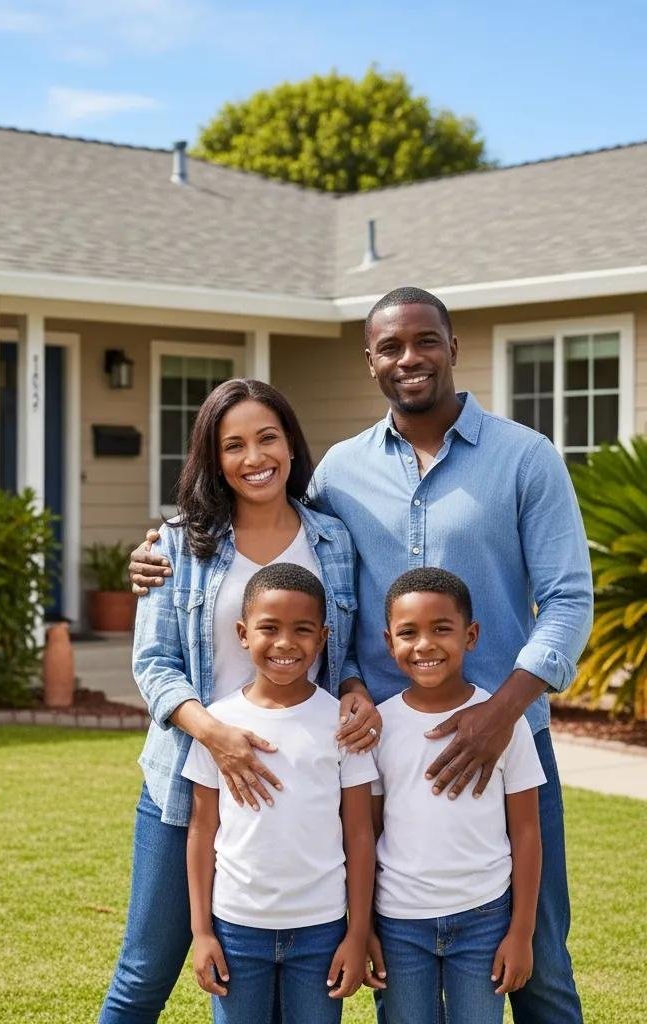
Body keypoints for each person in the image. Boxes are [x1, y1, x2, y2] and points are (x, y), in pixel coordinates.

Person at [129, 286, 592, 1024]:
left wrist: (500, 713)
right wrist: (160, 551)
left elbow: (569, 601)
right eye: (390, 347)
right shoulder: (340, 473)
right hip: (378, 753)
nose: (409, 359)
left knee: (538, 962)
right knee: (388, 949)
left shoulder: (524, 459)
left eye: (425, 341)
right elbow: (269, 531)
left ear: (452, 345)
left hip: (505, 741)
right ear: (370, 360)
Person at [99, 379, 374, 1024]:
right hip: (189, 783)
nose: (255, 457)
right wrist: (216, 737)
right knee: (144, 971)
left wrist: (357, 689)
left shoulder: (333, 540)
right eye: (234, 445)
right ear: (213, 458)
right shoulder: (176, 545)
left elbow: (347, 652)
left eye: (267, 438)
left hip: (304, 786)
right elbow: (155, 666)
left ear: (290, 444)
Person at [183, 562, 377, 1024]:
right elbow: (201, 829)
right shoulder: (218, 725)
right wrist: (202, 931)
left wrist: (356, 932)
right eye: (269, 628)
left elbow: (360, 833)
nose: (286, 643)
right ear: (243, 633)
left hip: (321, 929)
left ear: (324, 637)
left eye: (302, 629)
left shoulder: (341, 725)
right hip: (236, 927)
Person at [371, 567, 545, 1024]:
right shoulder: (380, 727)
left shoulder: (507, 725)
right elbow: (366, 831)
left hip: (484, 918)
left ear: (471, 635)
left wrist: (522, 931)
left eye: (441, 629)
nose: (425, 645)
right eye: (408, 633)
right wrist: (364, 924)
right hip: (399, 921)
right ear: (389, 643)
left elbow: (526, 831)